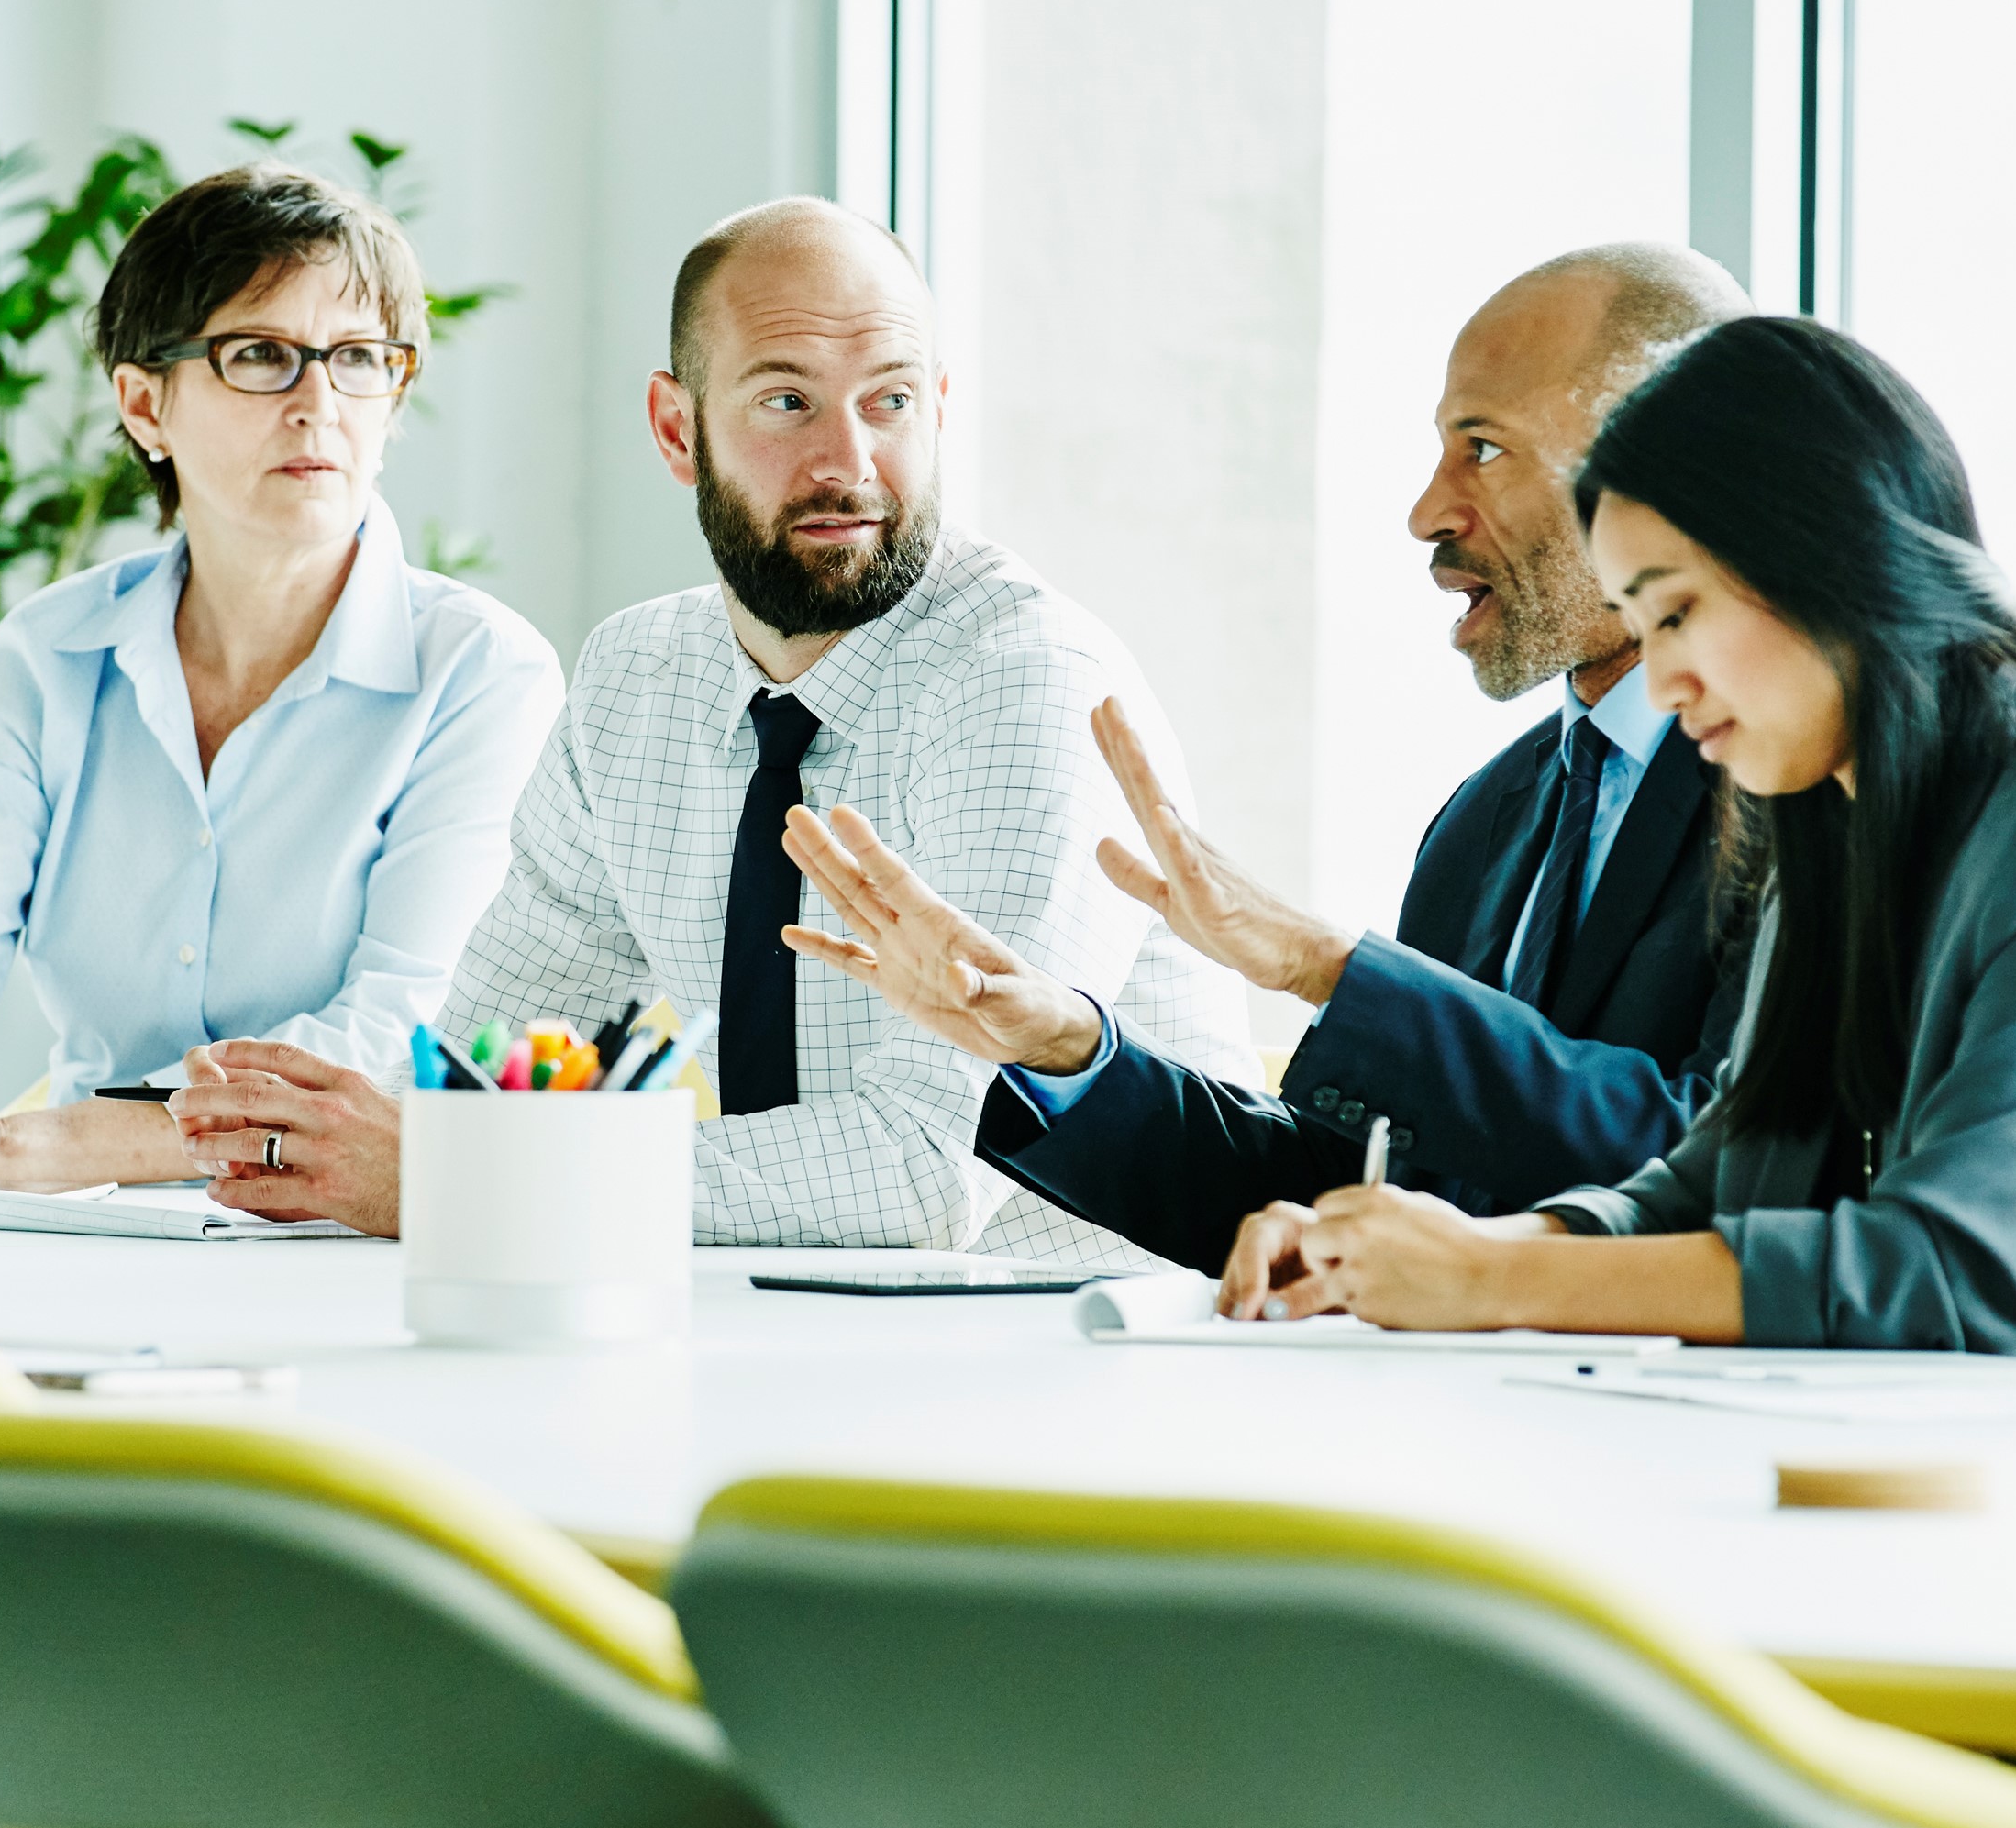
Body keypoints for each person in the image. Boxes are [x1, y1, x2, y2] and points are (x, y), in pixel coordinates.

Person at [1219, 318, 2016, 1377]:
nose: (1663, 683)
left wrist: (1488, 1282)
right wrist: (1432, 1253)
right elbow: (1717, 1175)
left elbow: (1939, 1274)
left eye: (1674, 612)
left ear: (1826, 562)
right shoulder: (1832, 823)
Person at [162, 198, 1246, 1258]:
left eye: (892, 401)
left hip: (1072, 1346)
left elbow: (933, 1165)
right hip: (782, 1322)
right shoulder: (638, 678)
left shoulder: (1025, 684)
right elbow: (499, 1054)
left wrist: (460, 1174)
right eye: (788, 401)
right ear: (678, 428)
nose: (851, 462)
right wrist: (327, 1140)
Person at [775, 245, 1756, 1269]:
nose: (1429, 511)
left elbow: (1711, 1165)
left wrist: (1321, 962)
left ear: (1668, 464)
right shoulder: (1491, 818)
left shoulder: (1809, 790)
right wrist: (1065, 1047)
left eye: (1486, 449)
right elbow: (1350, 1195)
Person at [0, 165, 562, 1187]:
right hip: (80, 1227)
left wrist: (17, 1147)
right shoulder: (51, 651)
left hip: (335, 1238)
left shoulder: (480, 669)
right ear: (143, 402)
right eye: (259, 354)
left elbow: (393, 1028)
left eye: (357, 359)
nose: (317, 403)